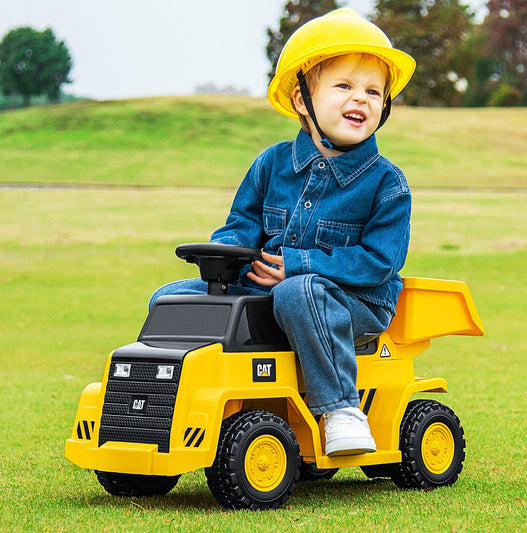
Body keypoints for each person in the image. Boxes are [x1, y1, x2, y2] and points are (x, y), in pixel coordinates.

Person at [149, 8, 416, 456]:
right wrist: (226, 260)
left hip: (355, 304)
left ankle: (340, 411)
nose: (362, 99)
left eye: (374, 91)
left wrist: (298, 266)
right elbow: (241, 227)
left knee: (300, 292)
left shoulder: (387, 184)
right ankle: (162, 408)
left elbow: (380, 263)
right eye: (345, 86)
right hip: (268, 294)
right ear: (301, 100)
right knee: (171, 298)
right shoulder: (271, 164)